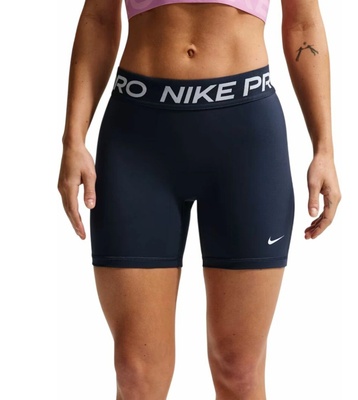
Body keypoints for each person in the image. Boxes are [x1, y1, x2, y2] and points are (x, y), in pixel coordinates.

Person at [58, 0, 341, 398]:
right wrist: (73, 139)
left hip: (244, 142)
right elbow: (99, 18)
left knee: (238, 367)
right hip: (138, 140)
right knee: (136, 373)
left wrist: (324, 148)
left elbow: (303, 25)